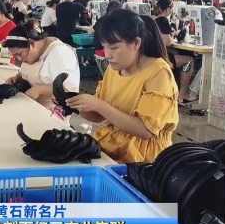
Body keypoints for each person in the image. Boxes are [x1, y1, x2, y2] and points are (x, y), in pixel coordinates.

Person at [67, 9, 178, 163]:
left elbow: (145, 130)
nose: (107, 54)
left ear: (136, 43)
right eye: (104, 47)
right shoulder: (114, 69)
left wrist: (98, 105)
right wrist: (77, 104)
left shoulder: (159, 73)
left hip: (144, 160)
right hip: (112, 149)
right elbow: (98, 116)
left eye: (113, 48)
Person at [4, 22, 80, 122]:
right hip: (34, 106)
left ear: (32, 43)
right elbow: (33, 71)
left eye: (20, 54)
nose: (19, 59)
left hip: (53, 112)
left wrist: (39, 90)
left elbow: (69, 89)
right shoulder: (33, 52)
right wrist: (17, 77)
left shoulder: (60, 54)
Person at [153, 0, 194, 100]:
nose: (171, 11)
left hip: (152, 55)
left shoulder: (153, 19)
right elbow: (168, 42)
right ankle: (183, 93)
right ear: (167, 9)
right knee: (188, 60)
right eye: (171, 8)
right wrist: (173, 35)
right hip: (160, 57)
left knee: (177, 55)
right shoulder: (162, 20)